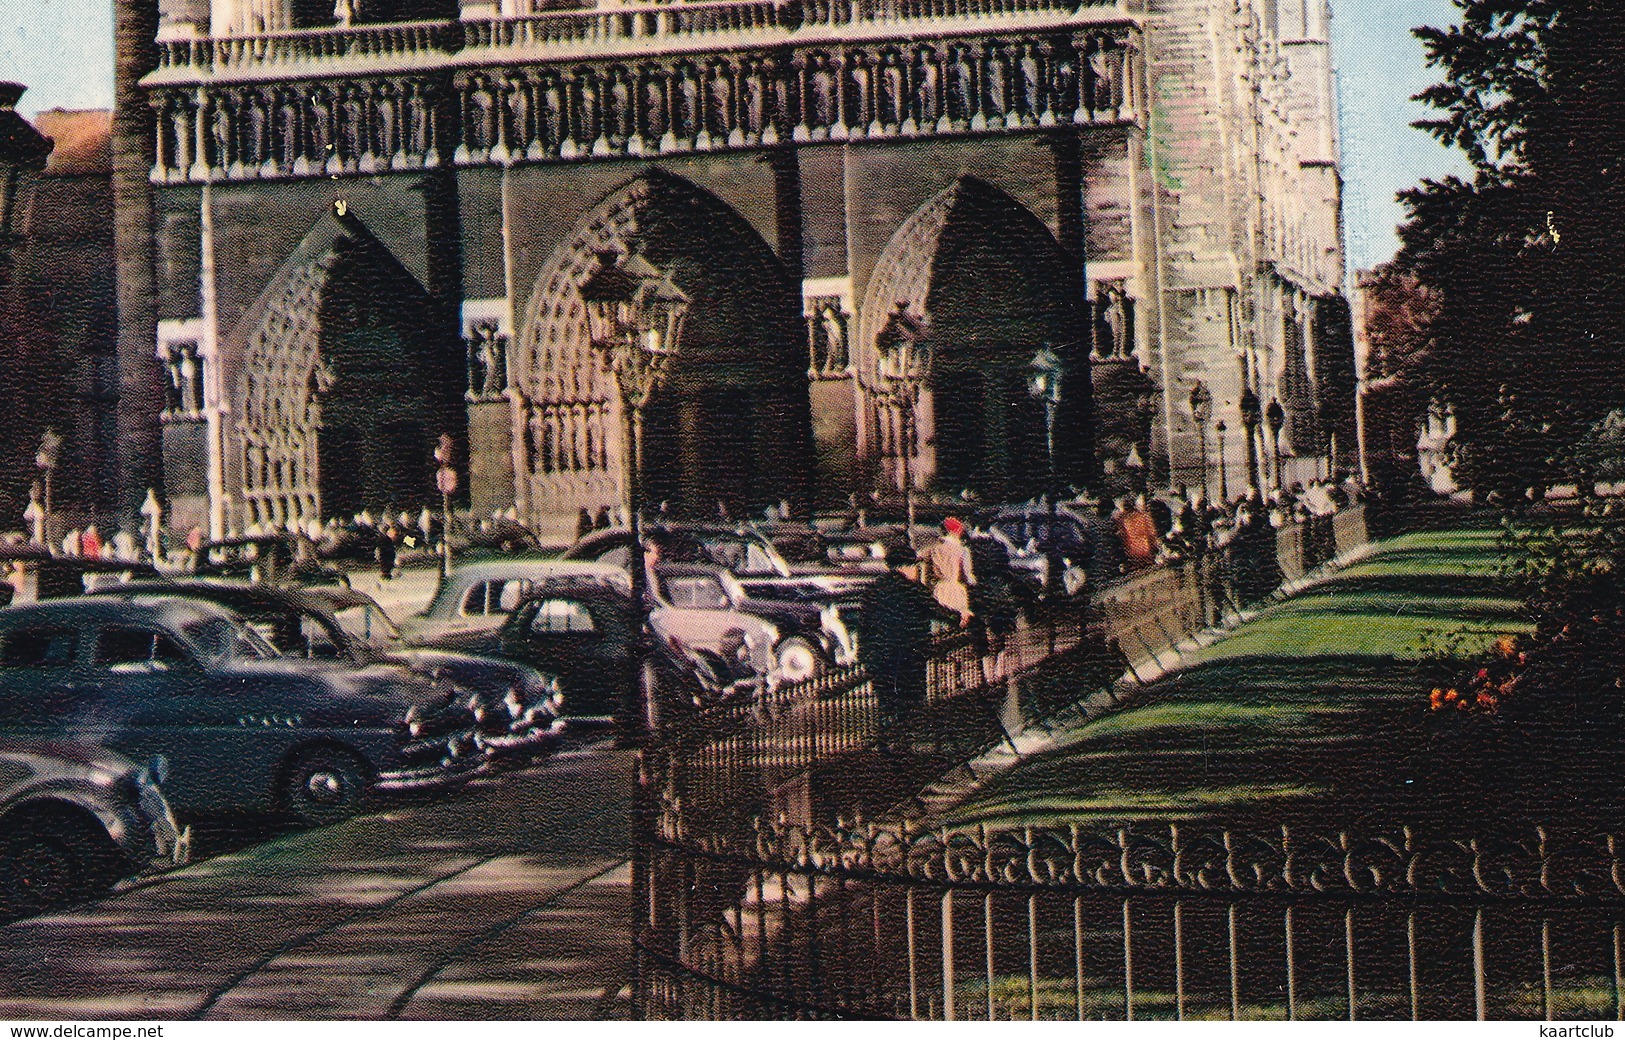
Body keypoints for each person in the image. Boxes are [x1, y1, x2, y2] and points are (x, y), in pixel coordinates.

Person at [857, 546, 940, 741]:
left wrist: (864, 654)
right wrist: (961, 617)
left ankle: (888, 736)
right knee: (910, 697)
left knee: (886, 699)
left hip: (880, 655)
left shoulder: (874, 589)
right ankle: (906, 738)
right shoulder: (914, 588)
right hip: (910, 654)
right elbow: (936, 611)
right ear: (908, 566)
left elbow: (864, 624)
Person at [927, 516, 975, 626]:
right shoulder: (962, 550)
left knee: (939, 623)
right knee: (958, 625)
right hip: (956, 590)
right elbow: (967, 576)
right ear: (958, 532)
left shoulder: (934, 549)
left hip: (940, 589)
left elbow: (928, 573)